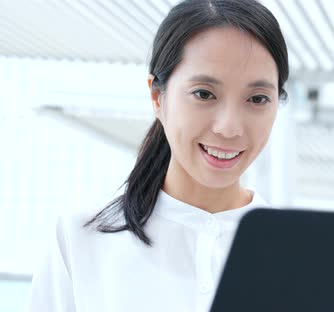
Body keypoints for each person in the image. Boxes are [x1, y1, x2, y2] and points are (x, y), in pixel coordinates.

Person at [29, 0, 289, 311]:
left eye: (257, 98)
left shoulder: (299, 256)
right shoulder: (79, 240)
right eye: (204, 94)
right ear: (157, 95)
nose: (229, 128)